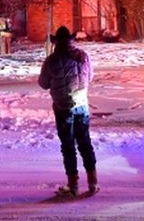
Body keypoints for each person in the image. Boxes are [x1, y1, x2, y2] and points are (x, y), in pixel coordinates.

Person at [38, 26, 98, 196]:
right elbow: (90, 77)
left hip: (63, 107)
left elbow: (43, 83)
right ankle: (93, 182)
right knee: (85, 143)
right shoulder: (83, 57)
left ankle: (73, 185)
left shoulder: (52, 61)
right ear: (71, 40)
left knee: (68, 145)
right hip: (82, 105)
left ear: (56, 42)